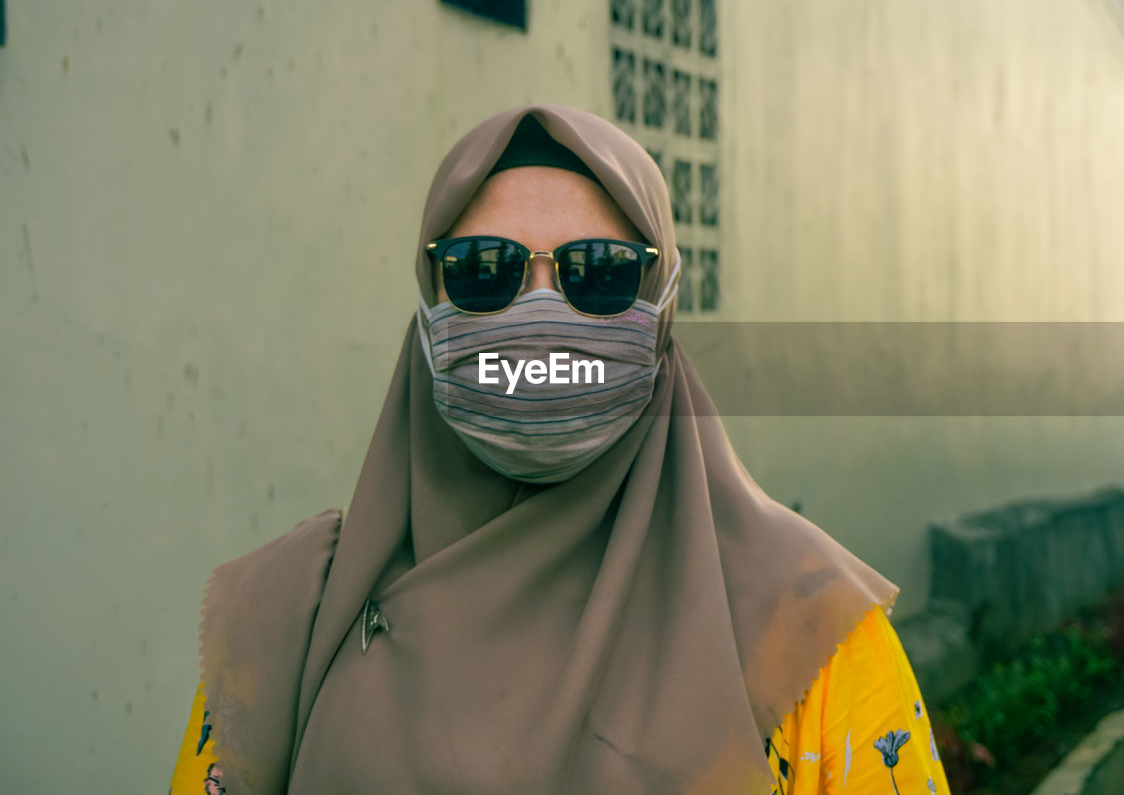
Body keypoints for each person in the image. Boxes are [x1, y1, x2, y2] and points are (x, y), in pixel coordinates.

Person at [169, 104, 951, 794]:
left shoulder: (807, 640)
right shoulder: (287, 625)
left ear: (662, 309)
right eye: (484, 271)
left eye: (599, 275)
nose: (541, 312)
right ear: (429, 303)